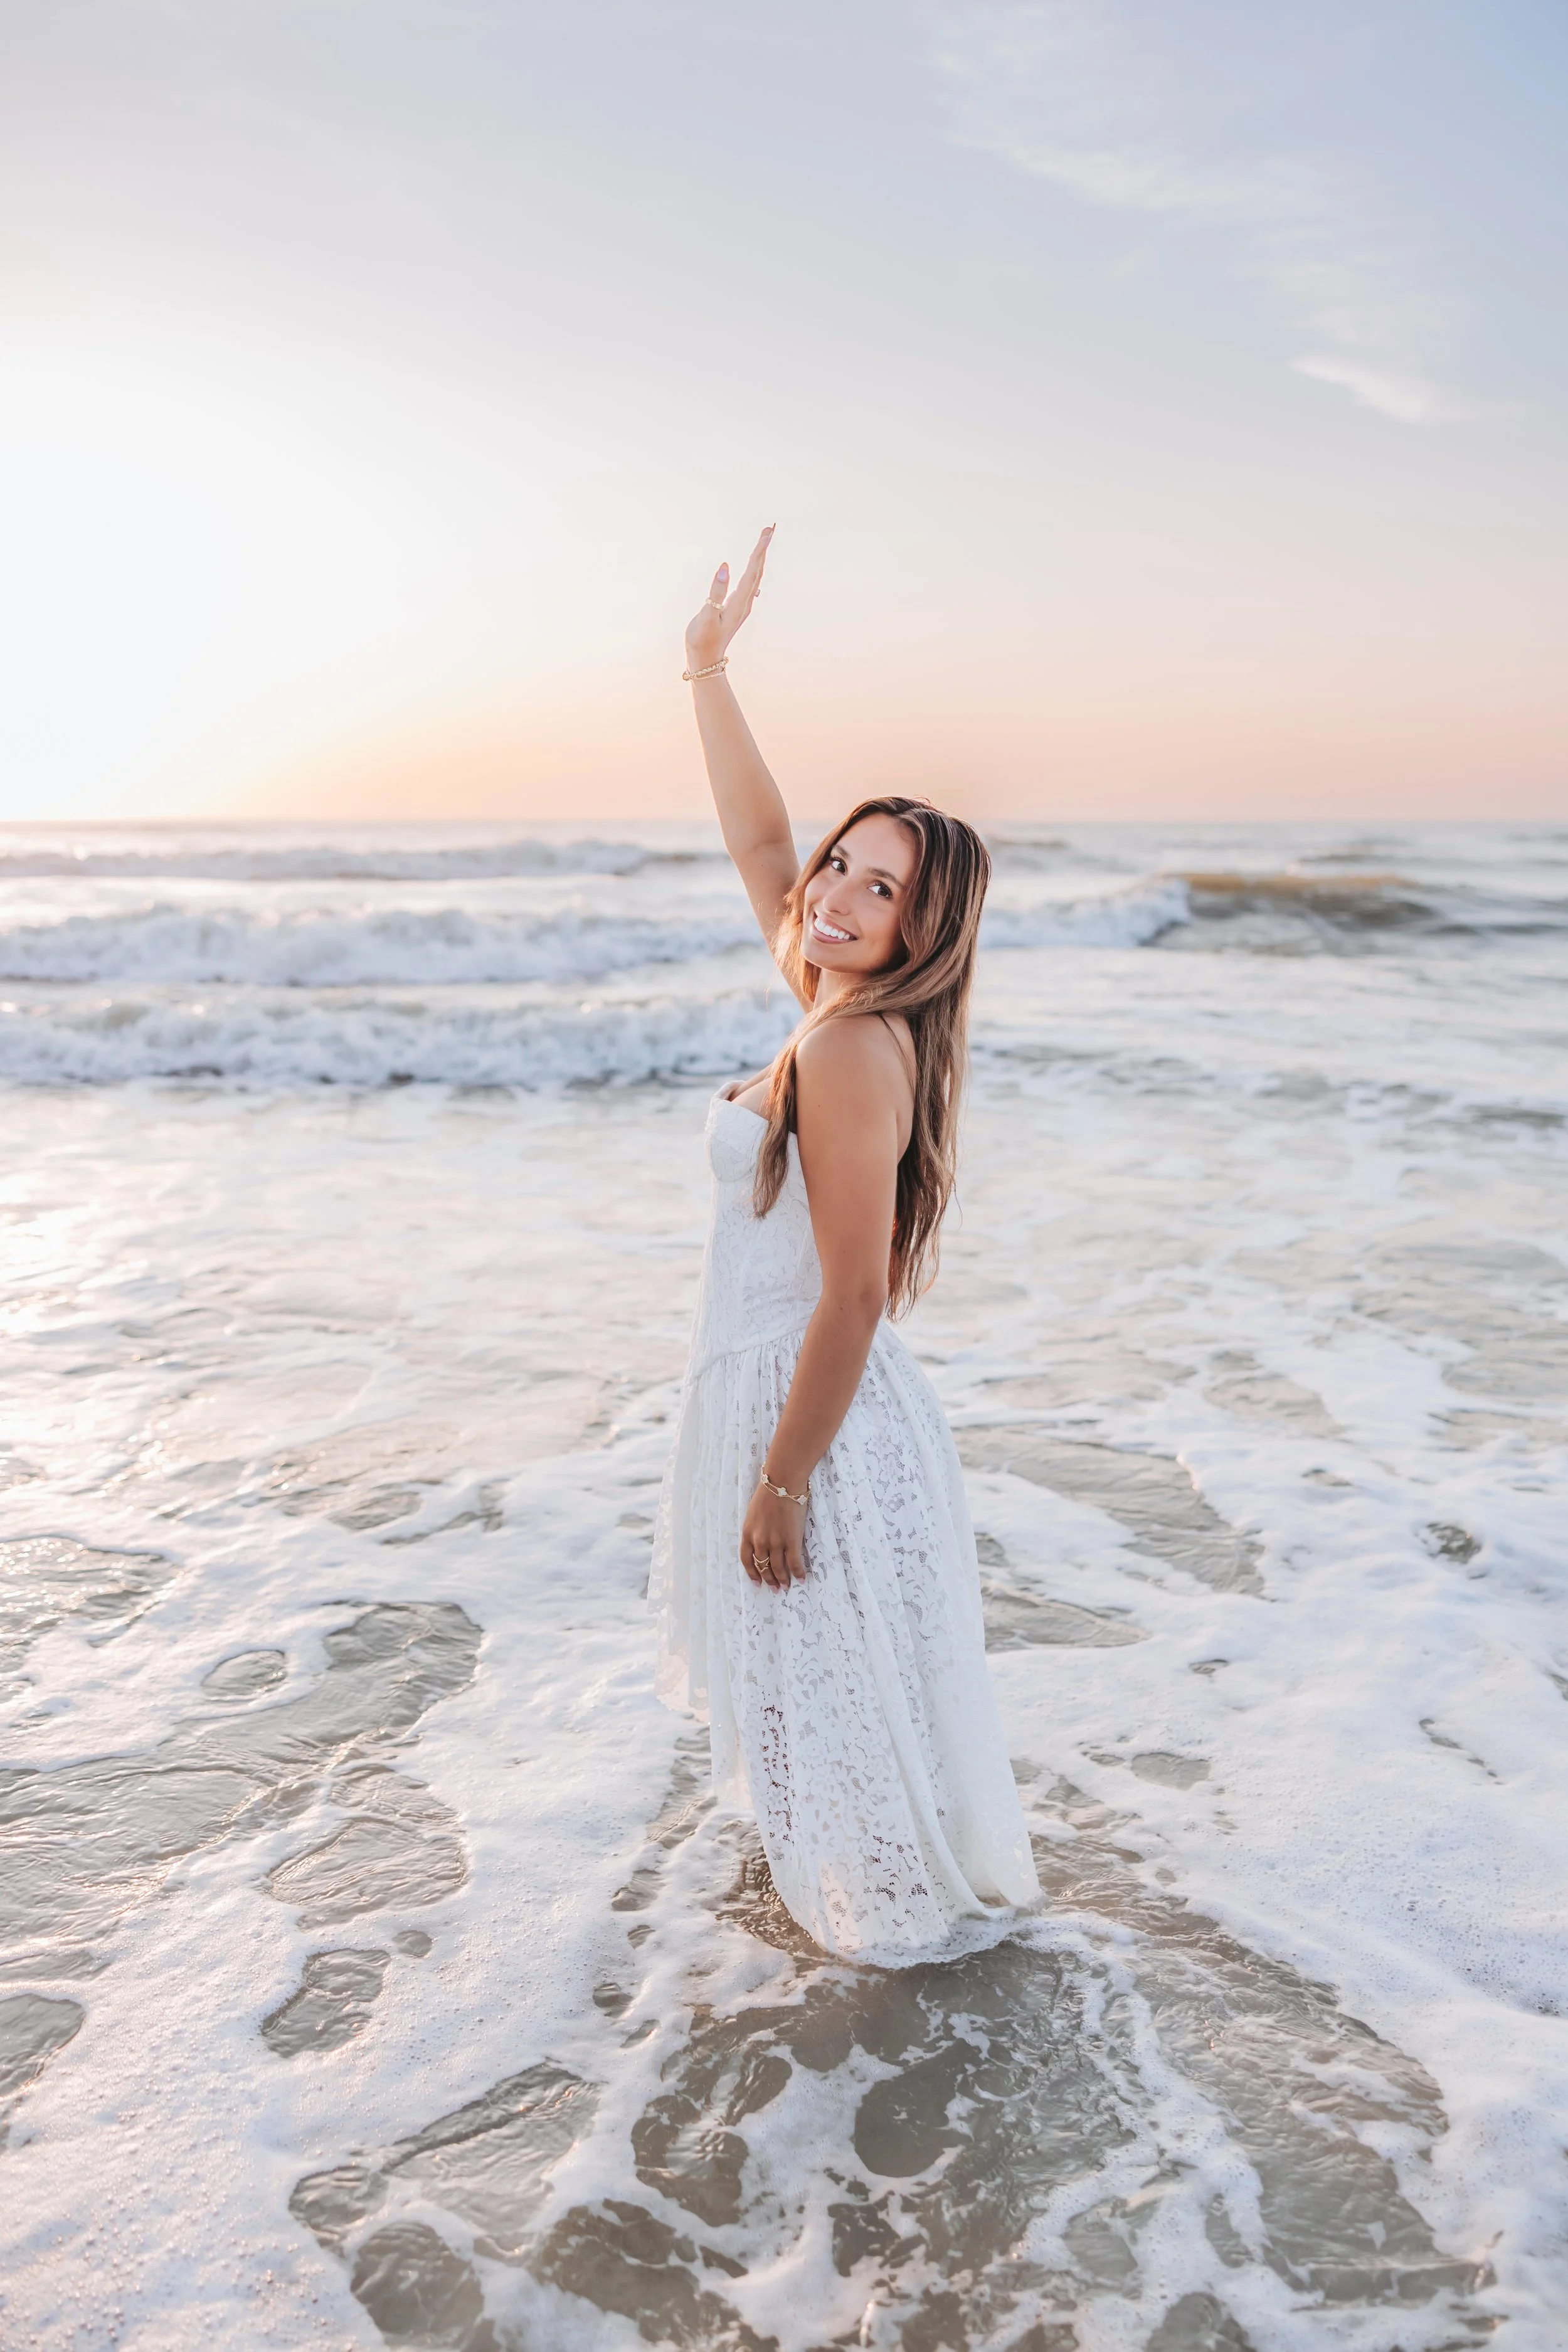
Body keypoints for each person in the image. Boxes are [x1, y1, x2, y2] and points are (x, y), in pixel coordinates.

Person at [650, 527, 1041, 1964]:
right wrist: (705, 667)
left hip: (810, 1424)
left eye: (882, 889)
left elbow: (857, 1295)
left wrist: (779, 1479)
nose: (834, 894)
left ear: (924, 930)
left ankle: (878, 2000)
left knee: (835, 1730)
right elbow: (760, 840)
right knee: (810, 1723)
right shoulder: (825, 1001)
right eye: (842, 866)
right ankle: (852, 1966)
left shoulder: (852, 1048)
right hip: (776, 1406)